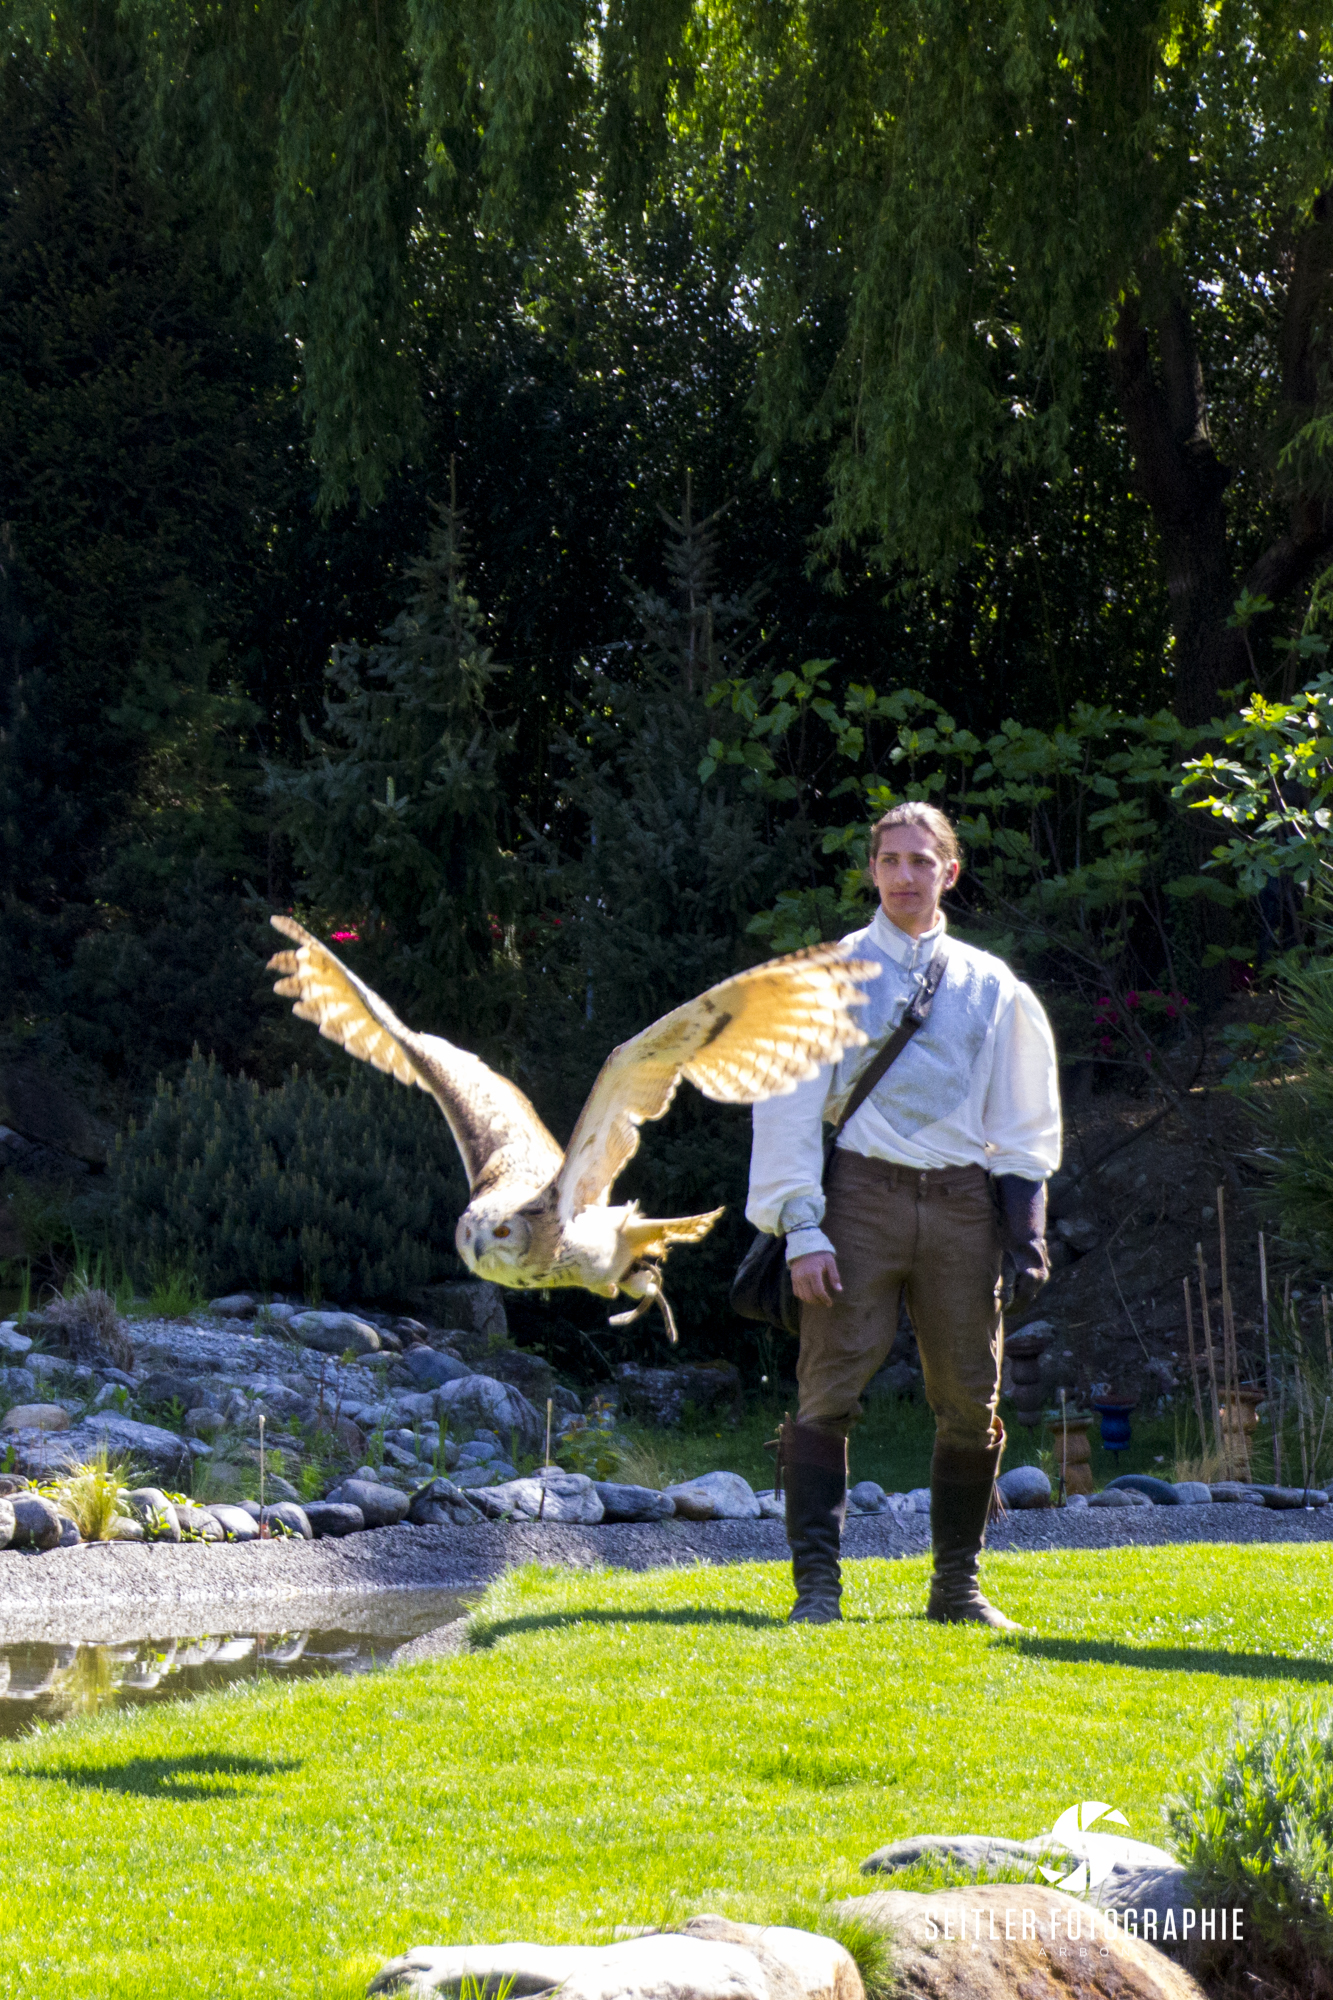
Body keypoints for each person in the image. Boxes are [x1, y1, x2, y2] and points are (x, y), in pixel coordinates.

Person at [746, 801, 1061, 1628]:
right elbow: (786, 1109)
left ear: (948, 872)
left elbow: (1023, 1120)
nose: (904, 876)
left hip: (962, 1205)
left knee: (970, 1395)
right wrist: (801, 1229)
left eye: (921, 861)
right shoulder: (826, 977)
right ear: (871, 870)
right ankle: (817, 1591)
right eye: (890, 860)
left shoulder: (991, 985)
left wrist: (1025, 1232)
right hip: (857, 1200)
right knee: (827, 1389)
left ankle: (956, 1590)